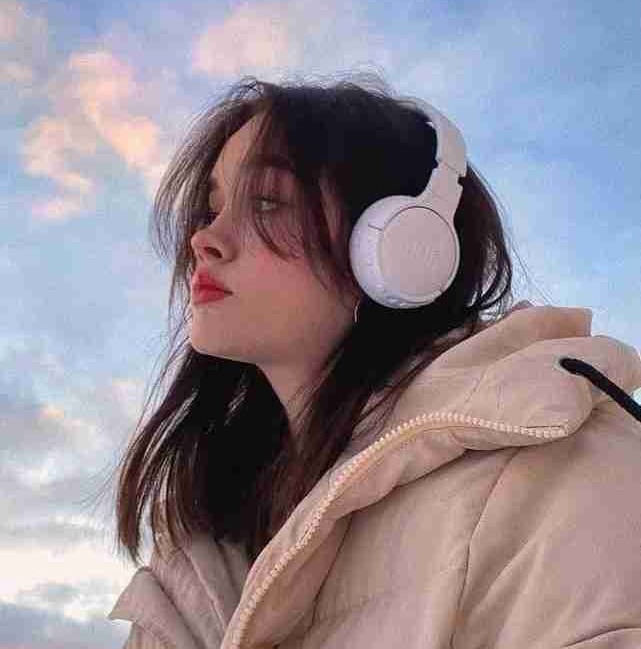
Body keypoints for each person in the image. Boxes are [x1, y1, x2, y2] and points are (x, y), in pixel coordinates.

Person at [107, 74, 641, 648]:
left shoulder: (562, 480)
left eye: (267, 202)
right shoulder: (200, 555)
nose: (203, 240)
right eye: (211, 208)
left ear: (398, 247)